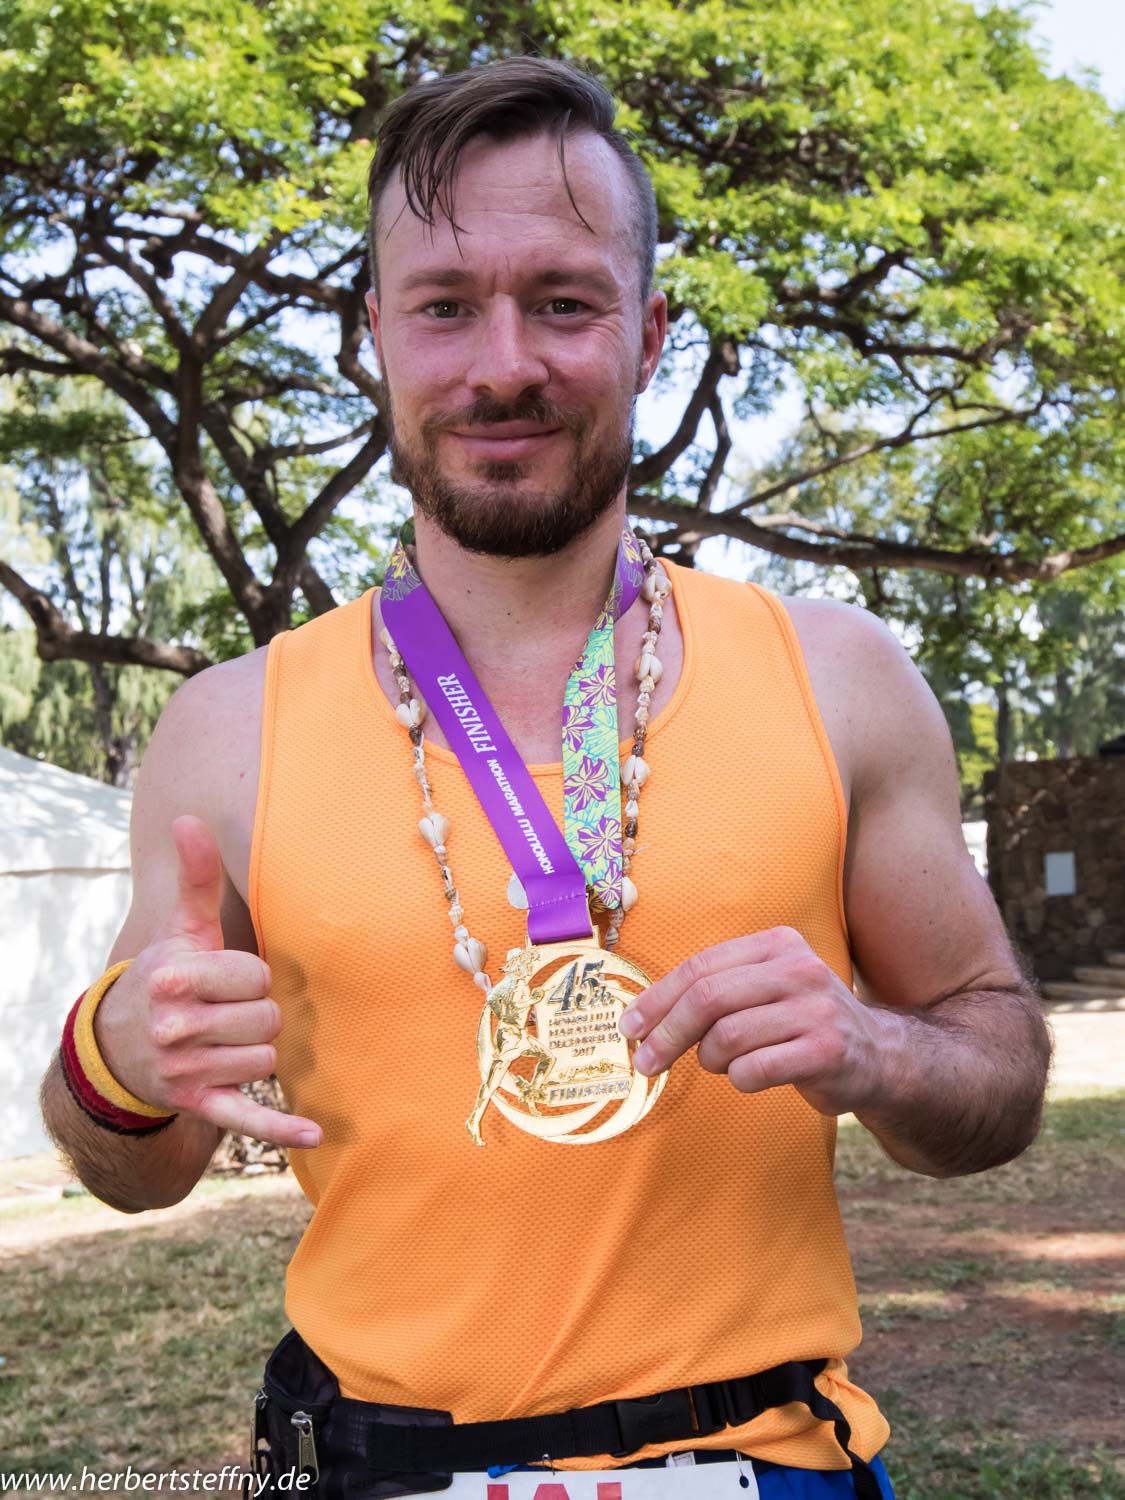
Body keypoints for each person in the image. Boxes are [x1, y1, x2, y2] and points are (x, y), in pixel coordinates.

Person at [40, 56, 1052, 1500]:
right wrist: (122, 1066)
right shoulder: (227, 728)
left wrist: (876, 1050)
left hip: (766, 1465)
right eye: (445, 305)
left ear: (649, 333)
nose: (502, 363)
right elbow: (133, 1171)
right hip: (375, 1472)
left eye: (565, 302)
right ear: (374, 335)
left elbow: (998, 1072)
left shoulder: (835, 678)